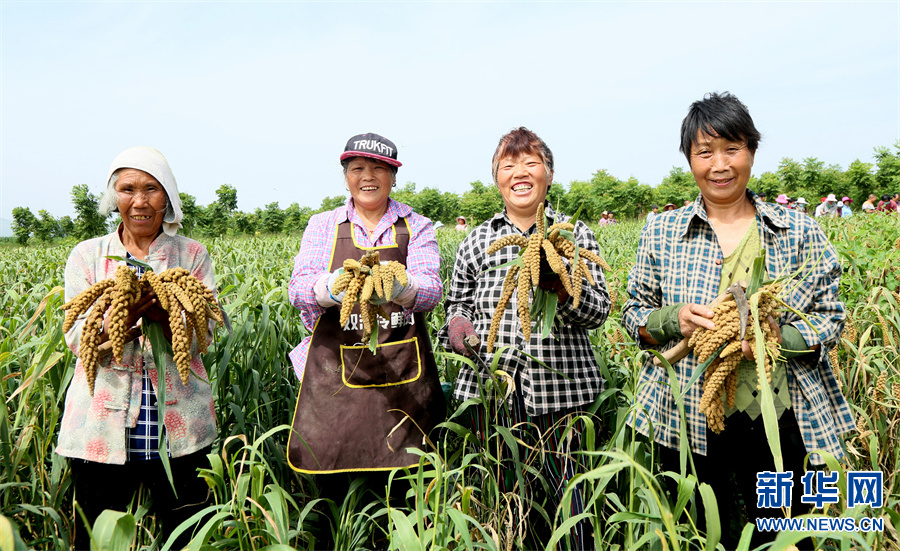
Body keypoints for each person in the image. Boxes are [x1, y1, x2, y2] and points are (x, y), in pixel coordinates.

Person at [623, 92, 853, 549]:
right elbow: (634, 314)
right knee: (700, 532)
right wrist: (675, 319)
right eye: (705, 153)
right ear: (690, 161)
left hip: (780, 415)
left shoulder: (798, 229)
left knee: (789, 534)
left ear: (751, 150)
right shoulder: (662, 231)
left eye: (732, 149)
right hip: (687, 416)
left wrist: (774, 337)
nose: (720, 164)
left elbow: (830, 318)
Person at [440, 127, 610, 549]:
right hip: (492, 393)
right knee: (503, 501)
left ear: (548, 175)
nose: (520, 172)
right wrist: (458, 326)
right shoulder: (478, 240)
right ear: (496, 176)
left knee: (572, 505)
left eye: (531, 162)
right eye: (508, 164)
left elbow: (599, 311)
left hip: (563, 395)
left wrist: (561, 286)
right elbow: (456, 305)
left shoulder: (572, 236)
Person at [59, 147, 217, 549]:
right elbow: (78, 338)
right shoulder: (88, 256)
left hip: (179, 432)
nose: (140, 201)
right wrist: (125, 319)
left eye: (151, 189)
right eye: (128, 189)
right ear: (115, 199)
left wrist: (164, 317)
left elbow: (205, 334)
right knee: (97, 539)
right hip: (100, 427)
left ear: (168, 197)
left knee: (187, 537)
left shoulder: (191, 255)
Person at [286, 133, 445, 481]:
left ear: (393, 176)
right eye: (357, 168)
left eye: (379, 168)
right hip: (335, 374)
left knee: (408, 483)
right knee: (334, 481)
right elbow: (297, 290)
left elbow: (432, 291)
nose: (368, 176)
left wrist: (402, 288)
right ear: (346, 176)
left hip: (403, 373)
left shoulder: (415, 226)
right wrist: (333, 287)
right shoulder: (324, 224)